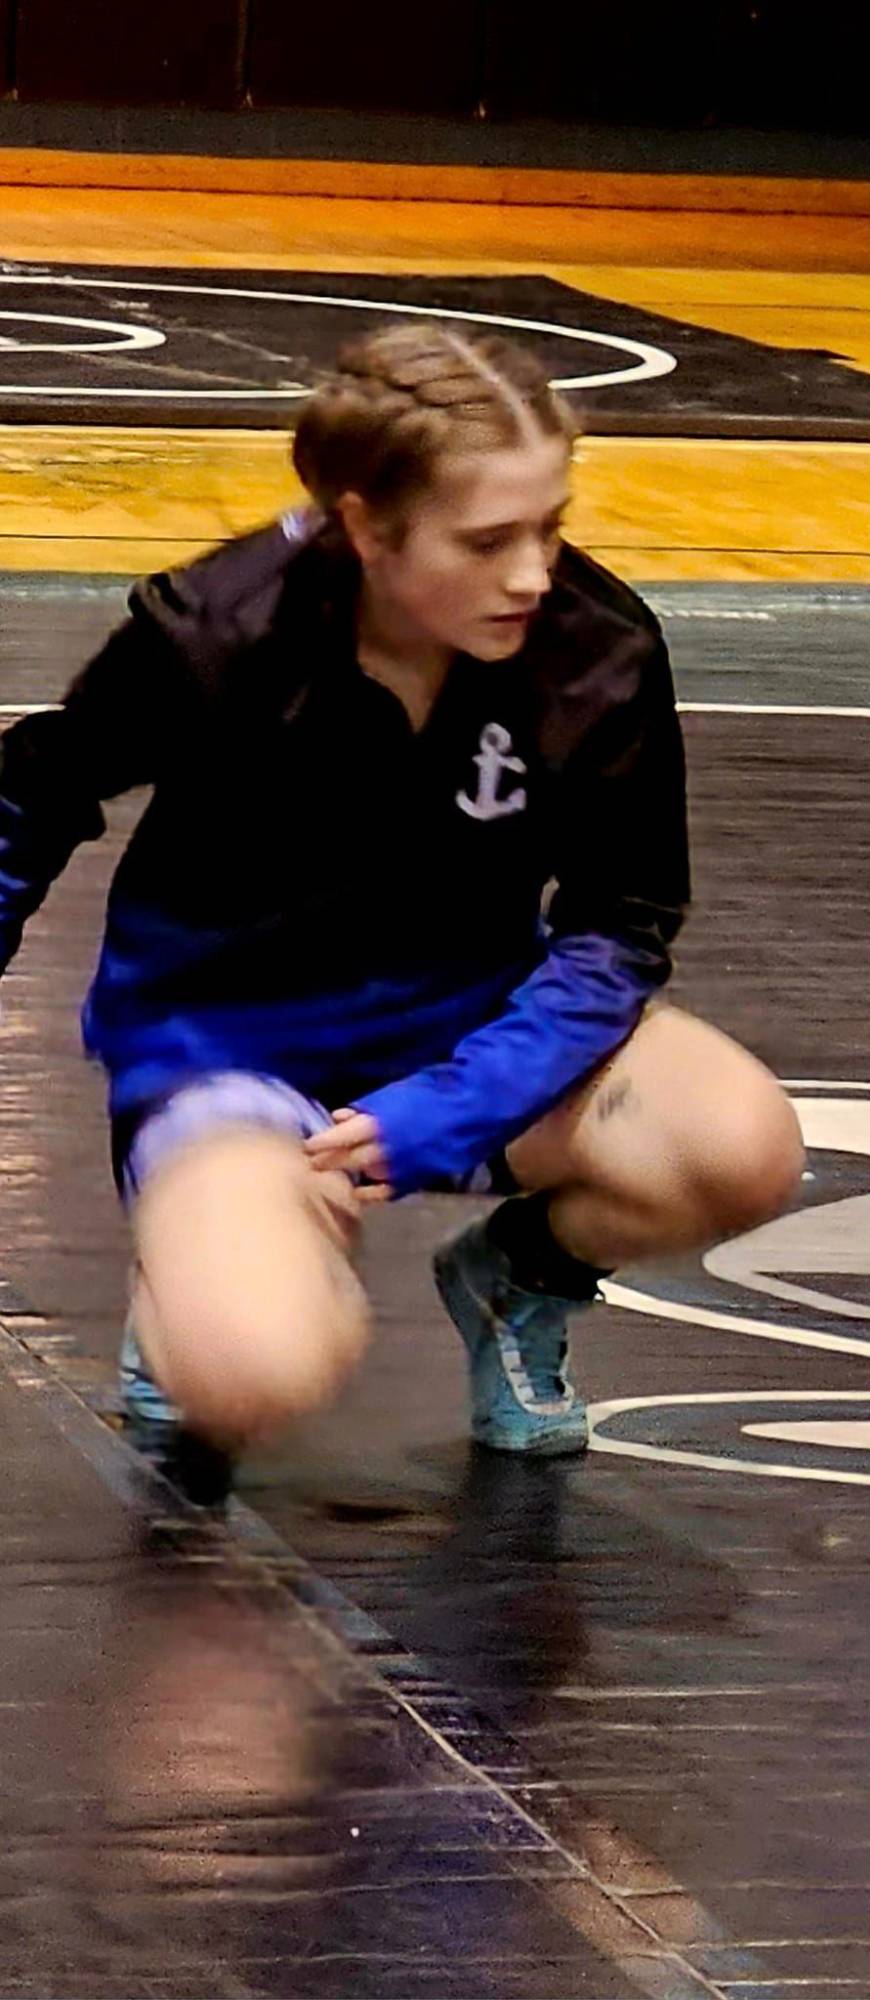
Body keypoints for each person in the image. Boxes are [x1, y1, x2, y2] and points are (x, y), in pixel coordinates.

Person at [0, 323, 803, 1481]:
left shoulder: (598, 650)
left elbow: (622, 923)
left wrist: (462, 1102)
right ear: (367, 528)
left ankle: (516, 1278)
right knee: (251, 1364)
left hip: (468, 1020)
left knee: (739, 1144)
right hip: (226, 1048)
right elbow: (29, 798)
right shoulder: (215, 636)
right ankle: (216, 1254)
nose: (531, 574)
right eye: (486, 541)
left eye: (550, 526)